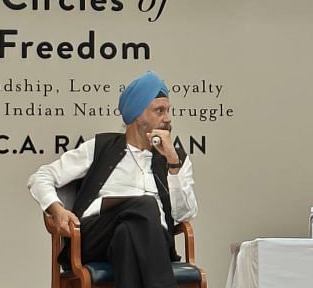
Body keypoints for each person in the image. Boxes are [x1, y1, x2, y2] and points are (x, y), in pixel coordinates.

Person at [28, 71, 198, 288]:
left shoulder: (174, 159)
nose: (167, 118)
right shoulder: (101, 147)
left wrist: (173, 163)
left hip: (154, 240)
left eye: (168, 110)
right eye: (159, 111)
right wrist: (57, 209)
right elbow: (41, 177)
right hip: (96, 234)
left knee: (127, 235)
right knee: (145, 204)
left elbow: (184, 214)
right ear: (138, 115)